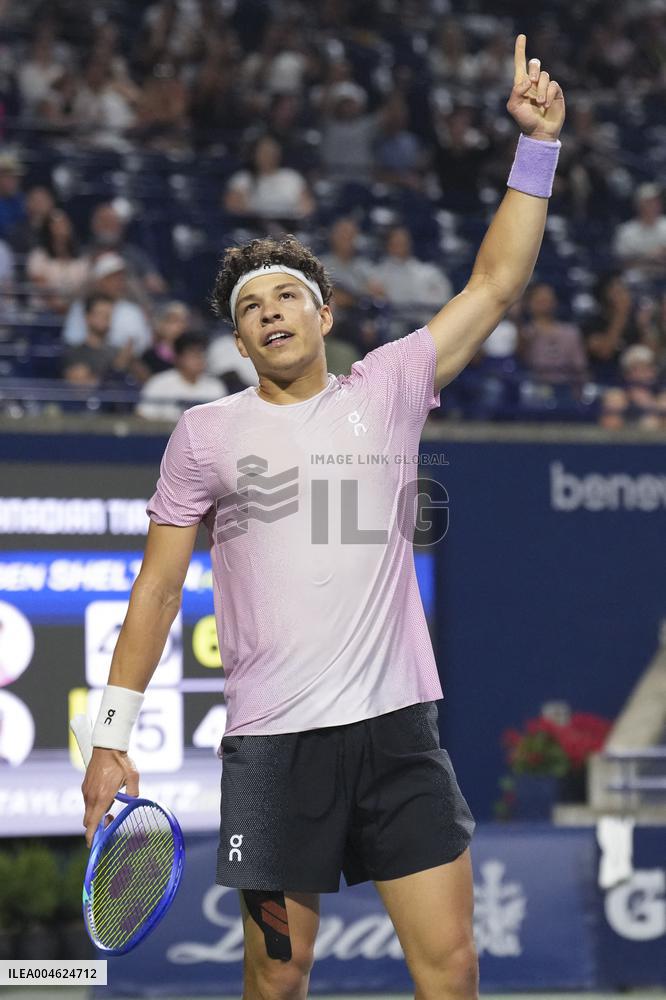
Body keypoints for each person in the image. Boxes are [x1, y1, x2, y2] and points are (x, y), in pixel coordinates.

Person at [79, 35, 565, 1000]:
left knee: (452, 968)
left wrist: (539, 148)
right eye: (250, 305)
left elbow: (496, 285)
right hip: (271, 753)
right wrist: (108, 736)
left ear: (324, 315)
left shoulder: (388, 387)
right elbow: (158, 588)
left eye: (287, 296)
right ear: (236, 336)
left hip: (397, 738)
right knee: (277, 976)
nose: (269, 312)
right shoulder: (203, 434)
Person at [62, 252, 152, 354]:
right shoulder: (80, 307)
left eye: (120, 278)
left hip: (126, 364)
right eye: (111, 278)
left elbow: (144, 344)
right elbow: (72, 340)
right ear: (100, 281)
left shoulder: (133, 310)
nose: (118, 283)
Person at [137, 331, 227, 421]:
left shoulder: (215, 386)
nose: (199, 359)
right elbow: (143, 417)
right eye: (193, 354)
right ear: (178, 358)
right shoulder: (159, 383)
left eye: (201, 354)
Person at [224, 134, 314, 223]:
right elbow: (233, 207)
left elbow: (307, 207)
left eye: (272, 151)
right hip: (254, 226)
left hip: (288, 227)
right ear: (254, 154)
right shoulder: (242, 178)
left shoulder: (292, 176)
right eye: (264, 151)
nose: (268, 155)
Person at [519, 282, 587, 386]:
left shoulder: (570, 332)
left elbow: (580, 367)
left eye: (547, 298)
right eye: (539, 299)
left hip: (566, 386)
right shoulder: (524, 333)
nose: (544, 302)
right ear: (529, 303)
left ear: (555, 302)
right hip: (533, 385)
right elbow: (520, 360)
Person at [27, 208, 90, 313]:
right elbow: (39, 283)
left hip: (75, 309)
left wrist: (70, 305)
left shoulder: (81, 257)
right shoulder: (39, 255)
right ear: (48, 228)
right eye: (55, 225)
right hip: (44, 311)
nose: (60, 228)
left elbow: (85, 284)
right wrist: (57, 305)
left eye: (63, 224)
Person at [61, 293, 132, 386]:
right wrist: (116, 369)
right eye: (100, 313)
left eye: (108, 315)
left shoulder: (117, 352)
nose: (105, 319)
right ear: (87, 317)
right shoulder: (74, 354)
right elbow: (80, 389)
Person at [612, 182, 666, 284]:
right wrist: (649, 257)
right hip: (638, 280)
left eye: (656, 201)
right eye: (649, 202)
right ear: (639, 204)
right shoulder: (626, 231)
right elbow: (622, 263)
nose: (654, 205)